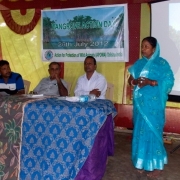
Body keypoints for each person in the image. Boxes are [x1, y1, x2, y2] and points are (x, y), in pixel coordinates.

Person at [128, 37, 174, 178]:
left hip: (154, 108)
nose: (143, 49)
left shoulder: (162, 64)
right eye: (142, 46)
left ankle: (157, 167)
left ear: (154, 49)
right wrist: (135, 81)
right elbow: (130, 80)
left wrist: (151, 82)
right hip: (140, 107)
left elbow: (169, 81)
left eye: (146, 46)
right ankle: (141, 163)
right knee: (140, 133)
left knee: (153, 134)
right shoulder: (139, 63)